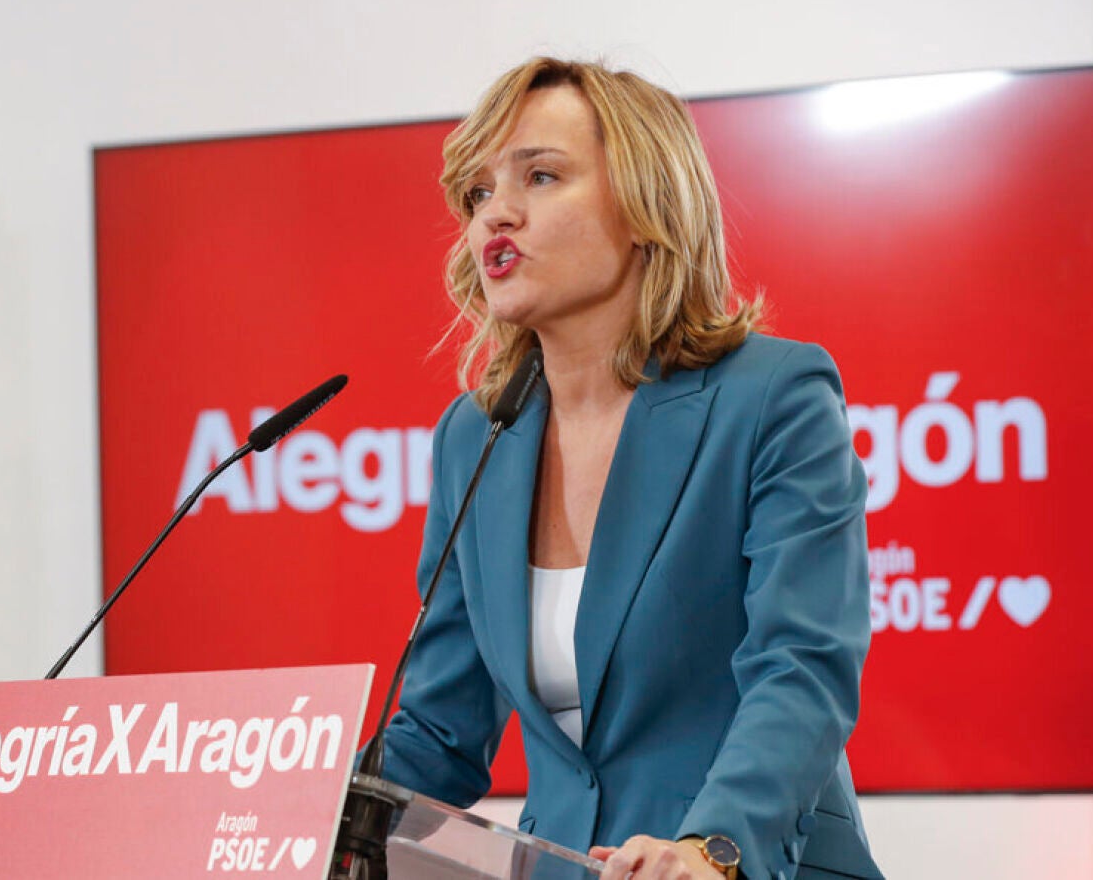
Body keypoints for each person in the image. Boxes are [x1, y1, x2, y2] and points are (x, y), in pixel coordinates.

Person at [372, 57, 883, 880]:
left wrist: (710, 848)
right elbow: (439, 735)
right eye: (477, 192)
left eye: (540, 176)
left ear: (647, 204)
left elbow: (799, 668)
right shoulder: (474, 436)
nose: (495, 212)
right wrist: (299, 821)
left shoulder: (770, 396)